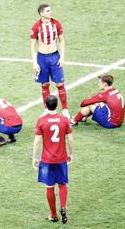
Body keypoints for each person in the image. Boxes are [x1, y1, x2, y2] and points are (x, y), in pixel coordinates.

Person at [32, 95, 74, 224]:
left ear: (46, 105)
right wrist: (71, 153)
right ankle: (63, 207)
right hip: (61, 158)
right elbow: (70, 139)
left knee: (50, 186)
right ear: (57, 105)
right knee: (62, 184)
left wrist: (34, 157)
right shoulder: (64, 119)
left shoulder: (41, 121)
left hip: (47, 160)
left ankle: (54, 215)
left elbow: (37, 142)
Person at [30, 4, 70, 119]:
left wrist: (62, 57)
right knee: (45, 84)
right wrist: (34, 62)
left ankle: (65, 109)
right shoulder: (36, 27)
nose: (50, 12)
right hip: (42, 58)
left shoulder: (56, 23)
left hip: (55, 56)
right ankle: (47, 109)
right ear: (42, 13)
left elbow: (61, 40)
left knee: (60, 84)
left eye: (50, 10)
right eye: (48, 11)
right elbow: (32, 45)